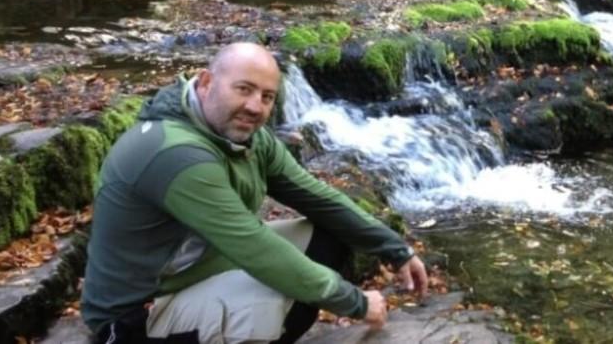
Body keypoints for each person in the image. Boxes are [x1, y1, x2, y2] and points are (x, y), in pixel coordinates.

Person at [81, 42, 427, 343]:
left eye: (267, 96)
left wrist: (395, 249)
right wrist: (355, 302)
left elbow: (318, 198)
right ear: (206, 83)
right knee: (279, 299)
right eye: (243, 89)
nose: (255, 106)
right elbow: (255, 247)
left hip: (192, 268)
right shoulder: (176, 154)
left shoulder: (246, 136)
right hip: (134, 315)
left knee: (328, 238)